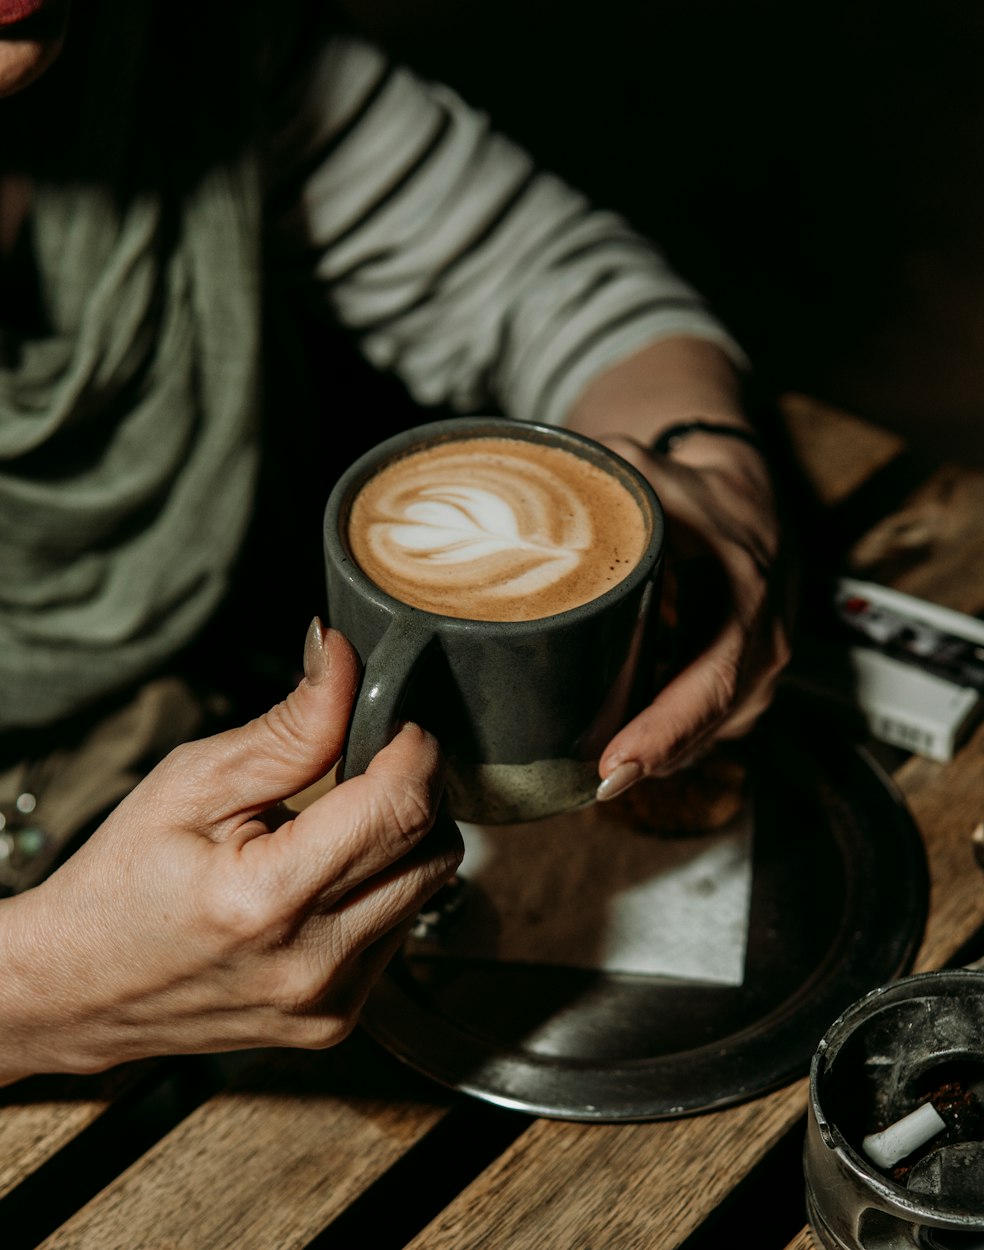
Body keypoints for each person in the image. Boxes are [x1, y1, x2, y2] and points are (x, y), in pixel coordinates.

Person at [0, 0, 789, 1084]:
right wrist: (35, 993)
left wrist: (709, 476)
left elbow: (542, 277)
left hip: (192, 730)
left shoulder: (176, 37)